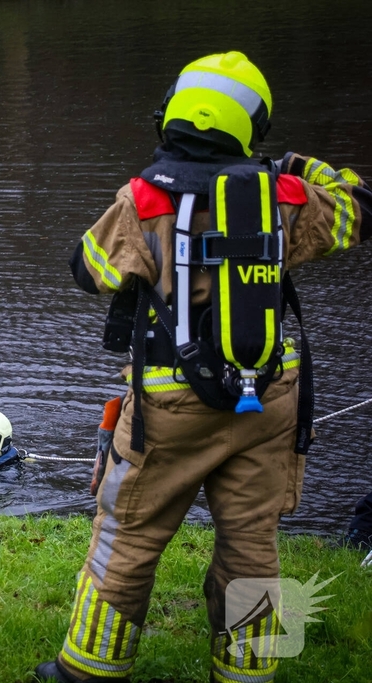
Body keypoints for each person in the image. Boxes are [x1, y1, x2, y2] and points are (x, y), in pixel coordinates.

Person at [34, 52, 372, 683]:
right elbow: (360, 207)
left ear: (172, 115)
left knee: (128, 537)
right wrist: (300, 166)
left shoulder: (143, 200)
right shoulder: (286, 196)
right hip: (269, 399)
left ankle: (85, 671)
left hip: (169, 406)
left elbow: (89, 270)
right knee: (253, 547)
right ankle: (248, 674)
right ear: (252, 126)